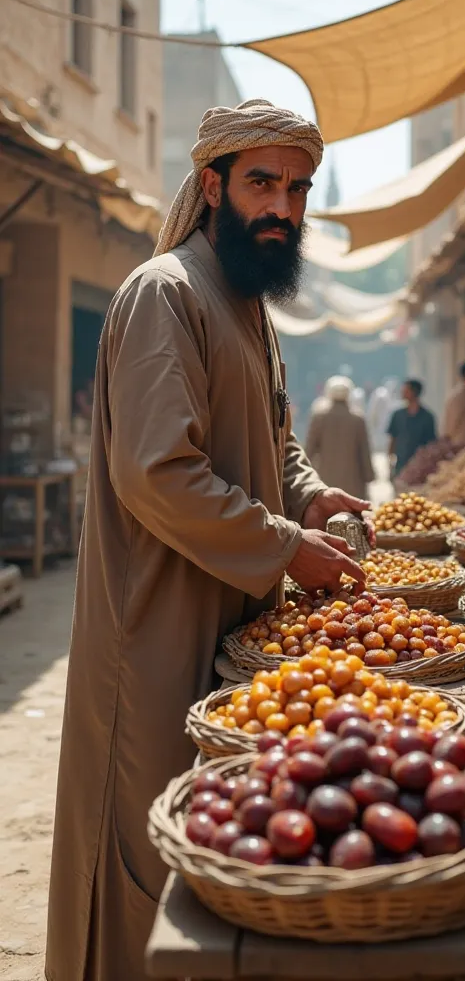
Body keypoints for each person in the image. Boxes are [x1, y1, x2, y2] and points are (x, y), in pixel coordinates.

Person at [45, 99, 370, 981]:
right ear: (211, 185)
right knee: (140, 857)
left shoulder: (249, 306)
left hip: (233, 618)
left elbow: (275, 441)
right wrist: (284, 546)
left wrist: (307, 496)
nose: (284, 208)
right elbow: (158, 472)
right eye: (263, 183)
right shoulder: (168, 293)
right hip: (154, 629)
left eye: (299, 189)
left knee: (205, 846)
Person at [305, 376, 375, 499]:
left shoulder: (320, 417)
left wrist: (305, 474)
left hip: (325, 479)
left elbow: (310, 448)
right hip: (353, 480)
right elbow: (364, 450)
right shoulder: (357, 418)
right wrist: (369, 475)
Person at [387, 379, 436, 477]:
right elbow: (393, 438)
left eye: (406, 390)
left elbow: (432, 443)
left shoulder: (427, 417)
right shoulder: (397, 415)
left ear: (414, 392)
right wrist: (390, 459)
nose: (402, 392)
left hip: (420, 465)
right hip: (401, 463)